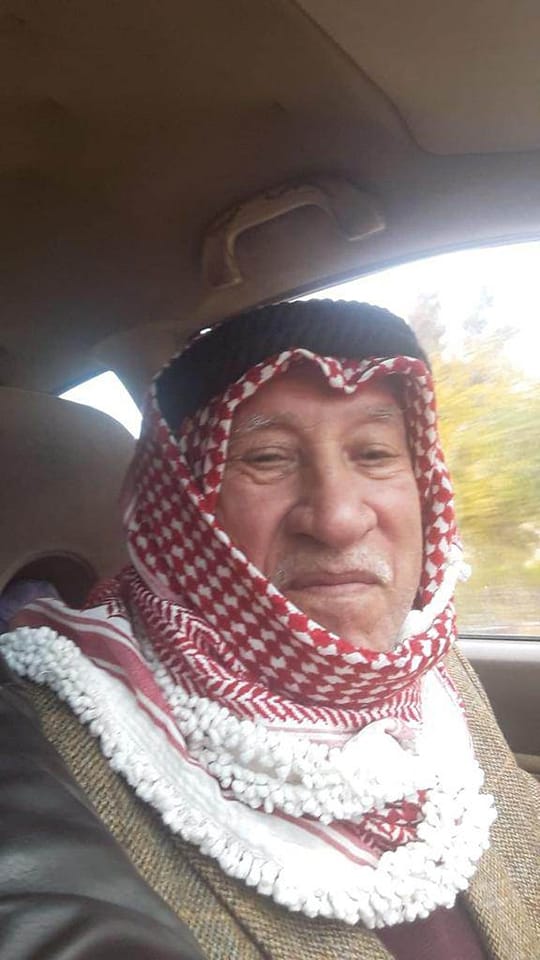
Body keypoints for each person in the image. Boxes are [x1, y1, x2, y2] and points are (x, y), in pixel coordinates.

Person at [1, 300, 538, 960]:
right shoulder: (47, 745)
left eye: (374, 454)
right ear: (185, 511)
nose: (337, 519)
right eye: (269, 458)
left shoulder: (439, 679)